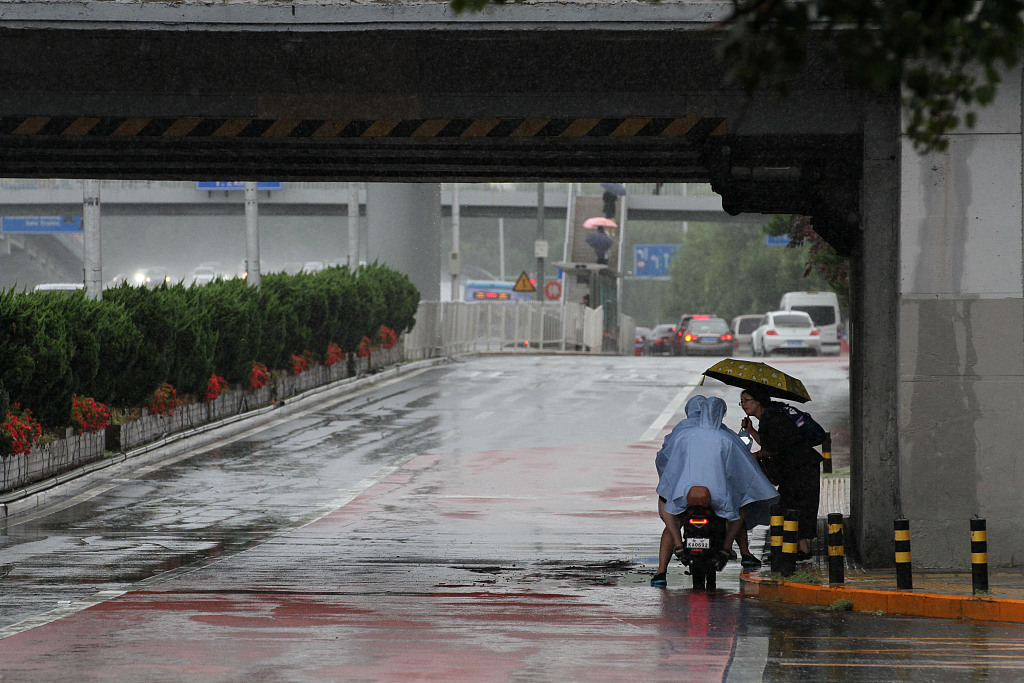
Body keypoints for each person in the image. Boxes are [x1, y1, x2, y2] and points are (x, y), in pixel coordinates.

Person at [652, 395, 780, 587]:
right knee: (738, 512)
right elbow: (741, 467)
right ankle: (727, 548)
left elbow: (667, 462)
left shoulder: (684, 435)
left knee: (670, 512)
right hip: (718, 497)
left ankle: (666, 564)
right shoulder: (726, 436)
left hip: (685, 494)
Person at [739, 388, 824, 561]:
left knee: (792, 506)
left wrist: (753, 456)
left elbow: (771, 449)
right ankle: (800, 549)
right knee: (792, 505)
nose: (744, 405)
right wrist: (751, 431)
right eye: (742, 401)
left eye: (747, 400)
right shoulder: (772, 415)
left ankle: (796, 551)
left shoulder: (771, 418)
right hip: (798, 466)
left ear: (759, 401)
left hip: (800, 467)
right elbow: (770, 443)